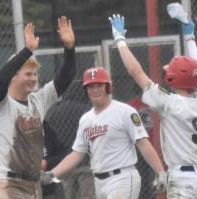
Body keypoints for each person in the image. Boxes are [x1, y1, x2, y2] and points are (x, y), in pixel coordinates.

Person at [108, 2, 197, 198]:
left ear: (173, 78)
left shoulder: (169, 103)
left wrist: (120, 40)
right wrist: (189, 35)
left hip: (184, 180)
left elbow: (136, 72)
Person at [41, 66, 165, 199]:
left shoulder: (125, 111)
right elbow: (77, 154)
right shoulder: (86, 119)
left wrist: (160, 171)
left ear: (108, 87)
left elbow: (143, 143)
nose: (95, 90)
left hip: (122, 178)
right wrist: (52, 174)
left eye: (99, 85)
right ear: (85, 90)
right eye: (91, 86)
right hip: (99, 181)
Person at [0, 16, 76, 199]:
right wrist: (27, 51)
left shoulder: (38, 100)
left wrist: (69, 48)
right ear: (14, 75)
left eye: (35, 74)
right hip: (6, 181)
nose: (34, 78)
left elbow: (66, 76)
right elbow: (1, 80)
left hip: (33, 183)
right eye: (28, 73)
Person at [43, 81, 95, 199]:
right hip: (85, 160)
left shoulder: (54, 111)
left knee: (68, 195)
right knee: (88, 195)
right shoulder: (87, 110)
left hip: (63, 162)